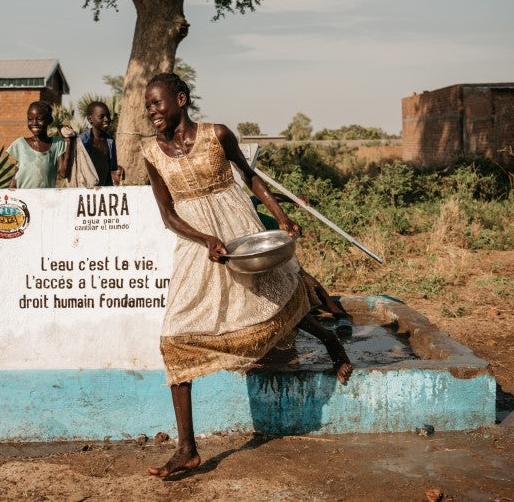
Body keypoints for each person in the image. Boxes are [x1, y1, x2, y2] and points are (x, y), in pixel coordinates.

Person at [140, 72, 352, 477]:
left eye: (157, 103)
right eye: (147, 105)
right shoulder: (151, 153)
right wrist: (204, 239)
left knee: (270, 300)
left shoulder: (217, 134)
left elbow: (252, 178)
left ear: (181, 99)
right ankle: (187, 448)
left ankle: (330, 343)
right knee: (174, 337)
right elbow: (167, 215)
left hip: (239, 228)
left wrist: (282, 216)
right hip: (198, 242)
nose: (151, 111)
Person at [250, 194, 354, 336]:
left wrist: (292, 198)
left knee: (299, 274)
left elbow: (265, 197)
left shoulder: (238, 200)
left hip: (273, 236)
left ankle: (338, 313)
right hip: (254, 247)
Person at [7, 101, 75, 188]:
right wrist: (9, 193)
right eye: (30, 119)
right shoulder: (20, 144)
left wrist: (69, 142)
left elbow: (63, 174)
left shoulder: (57, 143)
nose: (34, 123)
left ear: (49, 120)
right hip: (23, 197)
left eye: (39, 119)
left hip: (44, 199)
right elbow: (18, 174)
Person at [78, 101, 124, 186]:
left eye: (108, 116)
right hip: (86, 191)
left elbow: (113, 168)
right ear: (90, 119)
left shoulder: (110, 141)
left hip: (105, 190)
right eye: (101, 117)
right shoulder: (82, 141)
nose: (106, 119)